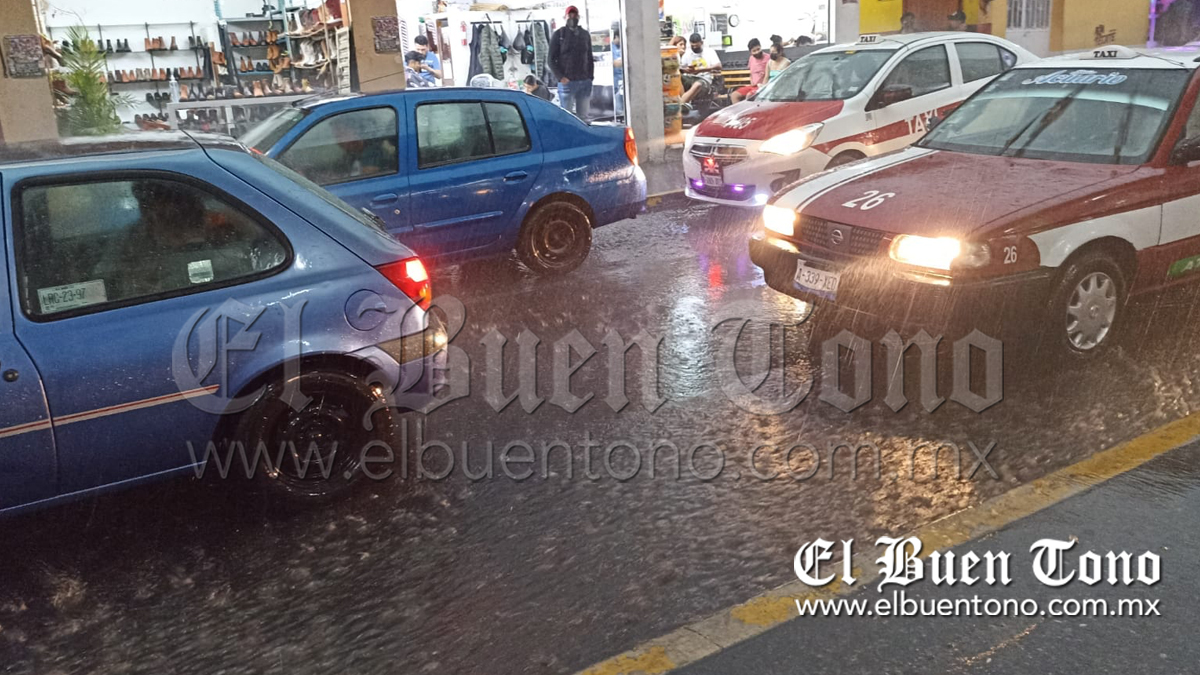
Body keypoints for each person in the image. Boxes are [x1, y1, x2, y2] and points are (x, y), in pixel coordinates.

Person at [550, 5, 595, 120]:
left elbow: (589, 57)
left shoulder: (585, 35)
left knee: (583, 118)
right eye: (570, 15)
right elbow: (550, 59)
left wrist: (590, 77)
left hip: (584, 81)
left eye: (575, 15)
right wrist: (560, 77)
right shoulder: (559, 35)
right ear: (565, 17)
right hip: (567, 83)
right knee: (566, 118)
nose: (572, 17)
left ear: (578, 17)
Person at [679, 32, 721, 108]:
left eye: (697, 46)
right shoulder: (687, 54)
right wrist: (686, 70)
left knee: (697, 84)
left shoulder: (709, 52)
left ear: (701, 43)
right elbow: (682, 67)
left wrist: (700, 70)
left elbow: (718, 66)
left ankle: (681, 105)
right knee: (677, 77)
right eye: (693, 46)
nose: (695, 48)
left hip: (704, 79)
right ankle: (682, 101)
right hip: (690, 77)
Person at [730, 38, 767, 104]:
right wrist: (751, 81)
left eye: (758, 49)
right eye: (754, 51)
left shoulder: (768, 58)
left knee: (749, 95)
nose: (757, 52)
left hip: (763, 87)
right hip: (753, 86)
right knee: (734, 95)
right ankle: (740, 110)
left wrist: (763, 84)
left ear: (761, 47)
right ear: (750, 52)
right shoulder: (751, 58)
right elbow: (751, 73)